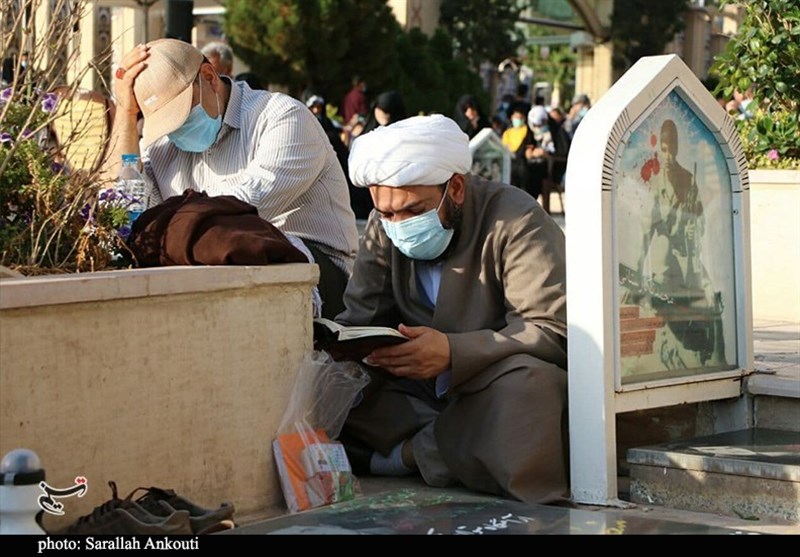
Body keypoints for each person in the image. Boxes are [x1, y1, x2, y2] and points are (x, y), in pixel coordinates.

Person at [336, 114, 569, 505]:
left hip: (491, 384)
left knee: (528, 389)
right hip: (421, 393)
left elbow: (550, 331)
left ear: (456, 188)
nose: (398, 225)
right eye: (388, 213)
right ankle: (458, 447)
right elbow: (361, 317)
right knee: (338, 384)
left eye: (413, 211)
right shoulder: (384, 226)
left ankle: (411, 455)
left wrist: (451, 353)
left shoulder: (516, 220)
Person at [105, 39, 359, 319]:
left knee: (227, 246)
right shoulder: (162, 144)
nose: (175, 130)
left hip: (318, 273)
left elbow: (239, 211)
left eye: (181, 116)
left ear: (209, 77)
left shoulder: (281, 118)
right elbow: (125, 211)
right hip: (210, 265)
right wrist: (126, 116)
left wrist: (163, 226)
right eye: (166, 123)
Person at [635, 119, 726, 368]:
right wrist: (638, 267)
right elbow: (646, 230)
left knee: (707, 300)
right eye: (663, 150)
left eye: (671, 149)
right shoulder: (655, 183)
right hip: (664, 258)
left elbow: (699, 218)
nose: (667, 156)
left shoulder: (688, 178)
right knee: (665, 302)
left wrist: (692, 225)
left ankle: (706, 355)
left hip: (689, 257)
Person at [305, 94, 373, 220]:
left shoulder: (330, 129)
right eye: (312, 107)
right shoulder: (303, 127)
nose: (316, 111)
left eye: (319, 107)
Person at [501, 102, 546, 200]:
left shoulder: (527, 131)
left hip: (523, 165)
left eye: (520, 117)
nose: (517, 120)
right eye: (516, 117)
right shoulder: (508, 132)